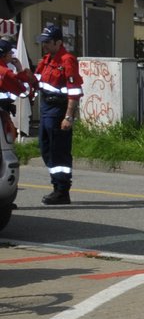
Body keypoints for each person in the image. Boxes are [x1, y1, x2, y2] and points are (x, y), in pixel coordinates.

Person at [35, 23, 81, 205]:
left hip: (59, 110)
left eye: (47, 42)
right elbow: (36, 81)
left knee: (58, 152)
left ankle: (62, 191)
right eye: (43, 42)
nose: (44, 45)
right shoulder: (46, 60)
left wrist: (68, 116)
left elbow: (74, 90)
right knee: (46, 149)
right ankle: (58, 186)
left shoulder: (67, 60)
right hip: (46, 109)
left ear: (58, 42)